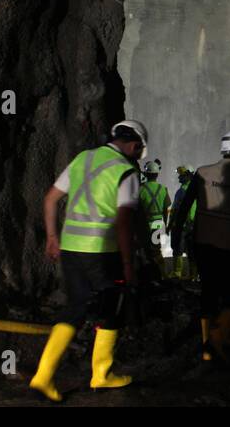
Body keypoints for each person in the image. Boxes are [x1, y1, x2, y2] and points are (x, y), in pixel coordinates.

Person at [29, 119, 147, 401]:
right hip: (102, 250)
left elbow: (49, 199)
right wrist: (129, 265)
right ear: (134, 146)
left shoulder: (84, 158)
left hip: (70, 247)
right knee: (112, 308)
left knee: (77, 307)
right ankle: (102, 374)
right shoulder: (126, 171)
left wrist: (51, 237)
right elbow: (123, 223)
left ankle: (43, 377)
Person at [171, 129, 230, 362]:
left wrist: (176, 236)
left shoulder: (201, 173)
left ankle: (206, 344)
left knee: (209, 292)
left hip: (203, 245)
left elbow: (183, 208)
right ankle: (216, 339)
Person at [138, 159, 171, 271]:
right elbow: (166, 209)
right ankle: (162, 272)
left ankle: (149, 274)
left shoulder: (140, 189)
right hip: (158, 224)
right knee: (156, 250)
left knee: (144, 250)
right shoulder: (163, 189)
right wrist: (166, 226)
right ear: (157, 174)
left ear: (146, 173)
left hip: (144, 225)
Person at [170, 165, 198, 280]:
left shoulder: (181, 191)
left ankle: (177, 272)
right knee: (192, 251)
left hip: (182, 225)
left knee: (178, 248)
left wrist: (170, 224)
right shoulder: (198, 190)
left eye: (181, 175)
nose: (179, 178)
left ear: (188, 175)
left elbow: (175, 209)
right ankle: (193, 275)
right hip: (194, 225)